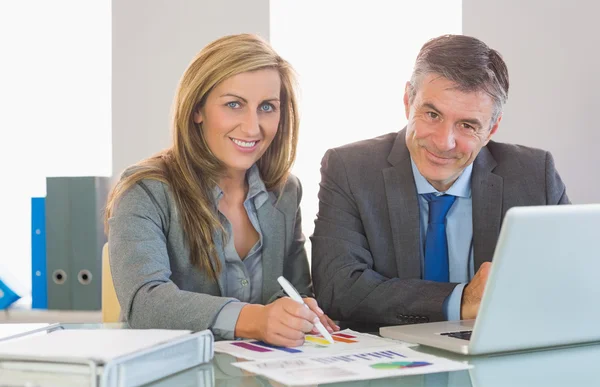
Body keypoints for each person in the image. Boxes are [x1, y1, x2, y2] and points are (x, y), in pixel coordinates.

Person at [311, 34, 569, 326]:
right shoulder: (350, 169)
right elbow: (338, 290)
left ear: (492, 129)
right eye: (432, 114)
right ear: (409, 101)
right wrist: (462, 301)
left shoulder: (535, 175)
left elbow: (573, 280)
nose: (444, 142)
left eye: (467, 125)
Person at [105, 34, 337, 346]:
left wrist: (300, 312)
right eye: (233, 105)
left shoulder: (285, 192)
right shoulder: (144, 191)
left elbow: (293, 288)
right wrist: (254, 319)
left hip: (261, 382)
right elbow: (145, 304)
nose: (253, 127)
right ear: (197, 109)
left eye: (267, 106)